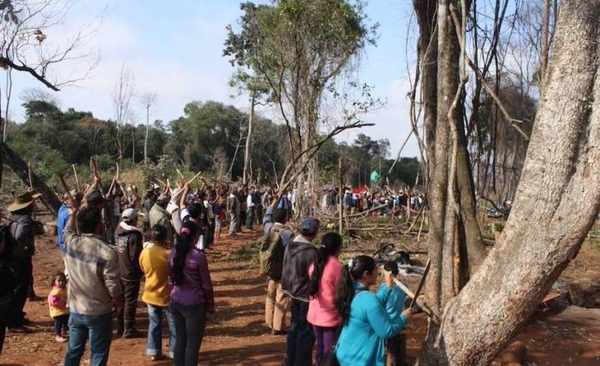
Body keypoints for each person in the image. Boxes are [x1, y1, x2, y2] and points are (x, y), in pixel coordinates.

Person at [63, 205, 124, 366]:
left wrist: (74, 213)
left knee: (73, 352)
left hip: (76, 309)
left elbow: (67, 230)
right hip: (98, 312)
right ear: (99, 225)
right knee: (98, 354)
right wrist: (119, 305)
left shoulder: (71, 243)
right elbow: (113, 286)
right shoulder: (107, 252)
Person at [333, 255, 412, 366]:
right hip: (358, 359)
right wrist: (403, 318)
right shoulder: (368, 299)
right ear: (366, 274)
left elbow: (372, 305)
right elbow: (386, 331)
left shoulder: (352, 290)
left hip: (347, 353)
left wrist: (388, 287)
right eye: (375, 270)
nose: (378, 274)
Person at [168, 221, 215, 366]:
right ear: (195, 236)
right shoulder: (198, 256)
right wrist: (210, 303)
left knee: (180, 340)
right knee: (192, 345)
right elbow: (206, 284)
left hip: (176, 300)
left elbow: (170, 279)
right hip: (194, 304)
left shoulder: (173, 252)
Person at [280, 217, 320, 366]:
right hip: (305, 297)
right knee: (305, 333)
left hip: (292, 292)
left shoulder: (289, 246)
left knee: (294, 328)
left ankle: (290, 360)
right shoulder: (311, 252)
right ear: (315, 233)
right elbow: (315, 276)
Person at [6, 190, 41, 333]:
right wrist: (27, 245)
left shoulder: (10, 216)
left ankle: (16, 316)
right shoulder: (25, 219)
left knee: (14, 287)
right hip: (20, 258)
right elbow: (20, 235)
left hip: (10, 257)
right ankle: (14, 322)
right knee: (20, 288)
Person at [139, 224, 176, 361]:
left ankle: (154, 351)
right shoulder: (169, 254)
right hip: (168, 295)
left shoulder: (145, 253)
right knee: (173, 324)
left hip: (150, 294)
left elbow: (142, 268)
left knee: (154, 324)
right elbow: (174, 269)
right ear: (165, 237)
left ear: (152, 237)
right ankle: (174, 352)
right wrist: (171, 247)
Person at [306, 232, 344, 365]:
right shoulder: (337, 267)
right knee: (329, 351)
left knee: (320, 348)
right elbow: (342, 292)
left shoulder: (315, 263)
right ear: (338, 248)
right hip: (330, 318)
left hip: (315, 315)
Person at [262, 197, 295, 335]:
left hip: (270, 267)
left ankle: (269, 322)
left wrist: (273, 203)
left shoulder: (269, 228)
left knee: (270, 295)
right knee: (281, 297)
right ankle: (278, 327)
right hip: (283, 269)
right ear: (285, 219)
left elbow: (266, 216)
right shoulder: (288, 233)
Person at [114, 208, 144, 338]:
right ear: (134, 220)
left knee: (122, 300)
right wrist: (140, 271)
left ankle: (121, 326)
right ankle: (129, 328)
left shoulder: (118, 231)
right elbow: (135, 256)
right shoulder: (135, 235)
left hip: (121, 270)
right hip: (131, 273)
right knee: (130, 301)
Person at [57, 190, 83, 276]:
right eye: (77, 200)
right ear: (69, 200)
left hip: (64, 246)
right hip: (71, 247)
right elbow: (71, 231)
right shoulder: (70, 214)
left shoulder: (62, 208)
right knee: (72, 272)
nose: (80, 202)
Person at [47, 271, 69, 343]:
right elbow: (52, 301)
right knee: (58, 324)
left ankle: (65, 331)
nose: (61, 282)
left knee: (66, 322)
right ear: (54, 281)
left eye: (63, 280)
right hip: (57, 312)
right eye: (59, 281)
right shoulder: (55, 292)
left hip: (65, 311)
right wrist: (63, 303)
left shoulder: (65, 289)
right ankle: (58, 335)